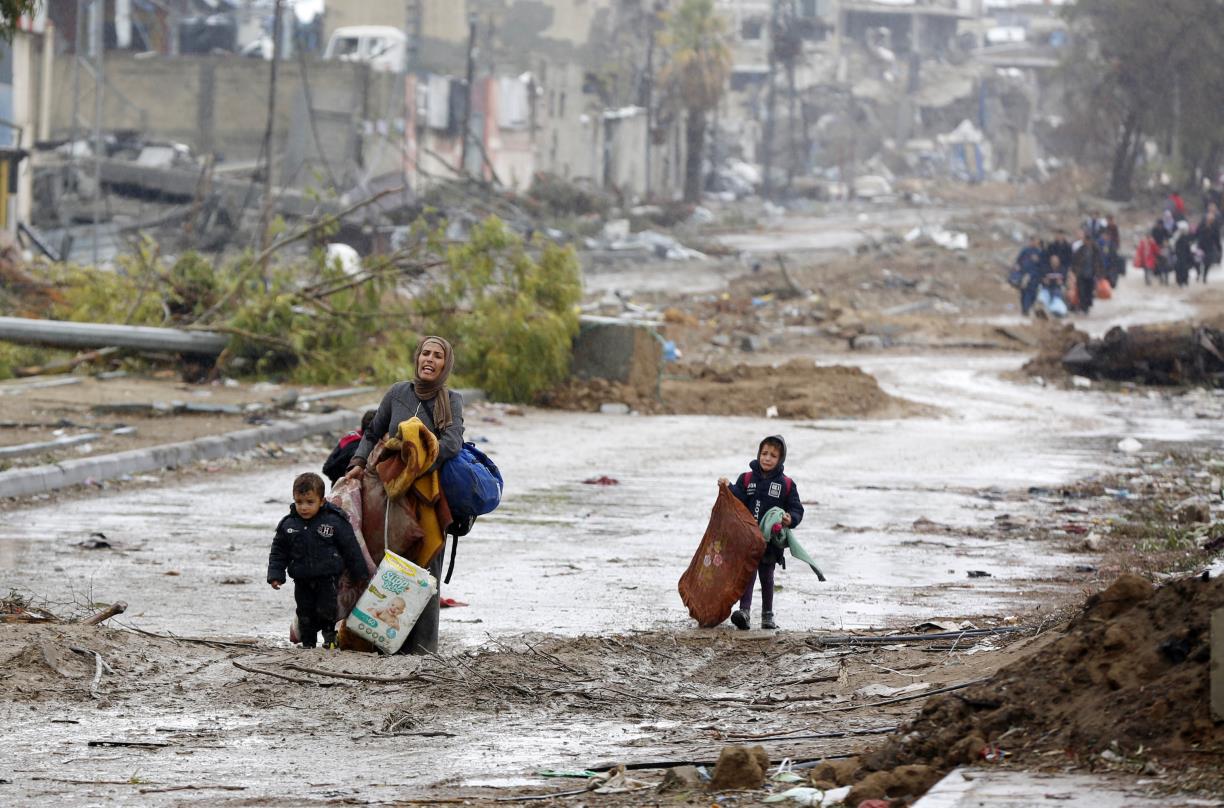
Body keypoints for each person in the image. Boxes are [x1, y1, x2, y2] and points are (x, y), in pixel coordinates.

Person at [345, 335, 465, 653]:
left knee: (425, 564)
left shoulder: (451, 400)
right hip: (389, 496)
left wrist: (419, 458)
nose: (429, 359)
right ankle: (377, 639)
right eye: (425, 353)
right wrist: (358, 462)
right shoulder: (398, 393)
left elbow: (453, 442)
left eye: (437, 355)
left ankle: (422, 648)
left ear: (446, 364)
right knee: (384, 561)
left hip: (427, 496)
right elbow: (373, 432)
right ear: (417, 358)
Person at [267, 472, 369, 649]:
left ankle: (329, 637)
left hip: (327, 579)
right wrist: (276, 575)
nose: (304, 507)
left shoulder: (334, 521)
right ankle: (308, 642)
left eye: (309, 502)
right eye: (299, 502)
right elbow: (278, 552)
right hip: (302, 579)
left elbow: (350, 548)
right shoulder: (289, 525)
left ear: (321, 501)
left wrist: (360, 573)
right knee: (304, 611)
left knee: (327, 609)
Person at [717, 435, 804, 631]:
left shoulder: (786, 484)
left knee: (767, 576)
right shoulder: (747, 479)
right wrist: (728, 487)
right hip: (748, 539)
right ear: (758, 454)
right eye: (764, 453)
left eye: (773, 455)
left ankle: (767, 615)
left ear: (780, 459)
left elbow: (797, 508)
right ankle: (744, 612)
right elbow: (738, 500)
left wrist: (791, 519)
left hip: (771, 542)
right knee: (747, 575)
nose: (767, 458)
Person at [322, 409, 376, 485]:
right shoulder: (362, 450)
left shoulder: (351, 437)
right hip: (348, 487)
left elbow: (327, 467)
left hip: (337, 484)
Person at [1071, 224, 1103, 314]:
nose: (1087, 242)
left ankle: (1087, 307)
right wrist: (1075, 271)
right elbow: (1074, 262)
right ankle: (1083, 307)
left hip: (1091, 274)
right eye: (1086, 240)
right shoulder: (1080, 250)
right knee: (1082, 291)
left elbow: (1099, 261)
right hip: (1081, 274)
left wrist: (1100, 273)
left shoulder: (1095, 249)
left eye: (1089, 240)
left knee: (1089, 291)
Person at [1013, 235, 1045, 316]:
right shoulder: (1025, 250)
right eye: (1032, 241)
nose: (1033, 243)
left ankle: (1028, 308)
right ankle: (1025, 309)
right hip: (1024, 275)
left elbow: (1043, 264)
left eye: (1035, 241)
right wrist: (1017, 266)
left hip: (1035, 275)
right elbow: (1018, 261)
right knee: (1024, 292)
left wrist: (1038, 260)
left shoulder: (1039, 252)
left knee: (1032, 293)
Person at [1196, 205, 1221, 283]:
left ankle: (1204, 276)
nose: (1210, 221)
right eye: (1209, 219)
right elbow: (1197, 232)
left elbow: (1217, 237)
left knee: (1208, 262)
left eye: (1211, 220)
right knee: (1199, 261)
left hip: (1210, 247)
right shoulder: (1202, 224)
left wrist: (1219, 246)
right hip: (1201, 245)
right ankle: (1198, 273)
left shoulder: (1215, 225)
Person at [1174, 220, 1195, 287]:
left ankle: (1184, 281)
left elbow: (1188, 247)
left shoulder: (1186, 237)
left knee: (1185, 270)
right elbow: (1175, 247)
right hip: (1180, 256)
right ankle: (1180, 281)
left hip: (1185, 256)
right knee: (1180, 270)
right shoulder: (1177, 237)